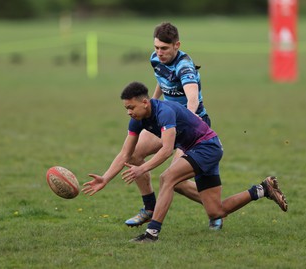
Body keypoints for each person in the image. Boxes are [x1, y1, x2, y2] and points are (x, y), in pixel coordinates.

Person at [82, 81, 288, 243]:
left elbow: (165, 150)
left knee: (168, 178)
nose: (128, 112)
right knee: (217, 211)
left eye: (131, 107)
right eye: (126, 108)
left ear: (144, 102)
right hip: (199, 149)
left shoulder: (164, 112)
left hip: (207, 147)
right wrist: (105, 179)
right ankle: (262, 189)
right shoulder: (137, 120)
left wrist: (142, 168)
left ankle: (152, 233)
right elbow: (125, 153)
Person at [124, 22, 210, 227]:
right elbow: (162, 80)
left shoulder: (185, 67)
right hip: (165, 121)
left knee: (175, 180)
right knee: (134, 154)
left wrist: (188, 122)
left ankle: (216, 209)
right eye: (156, 47)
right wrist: (150, 107)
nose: (159, 52)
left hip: (192, 127)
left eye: (164, 48)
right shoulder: (155, 59)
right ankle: (149, 207)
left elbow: (192, 99)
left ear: (177, 45)